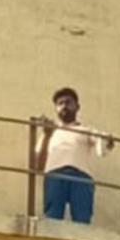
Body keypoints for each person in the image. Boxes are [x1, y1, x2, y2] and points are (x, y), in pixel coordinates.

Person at [36, 87, 114, 224]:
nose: (64, 106)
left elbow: (102, 149)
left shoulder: (86, 130)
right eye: (60, 103)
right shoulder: (49, 132)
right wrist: (47, 134)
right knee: (52, 219)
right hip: (55, 175)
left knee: (82, 220)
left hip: (80, 177)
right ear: (55, 109)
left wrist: (109, 141)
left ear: (77, 107)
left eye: (68, 102)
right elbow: (38, 165)